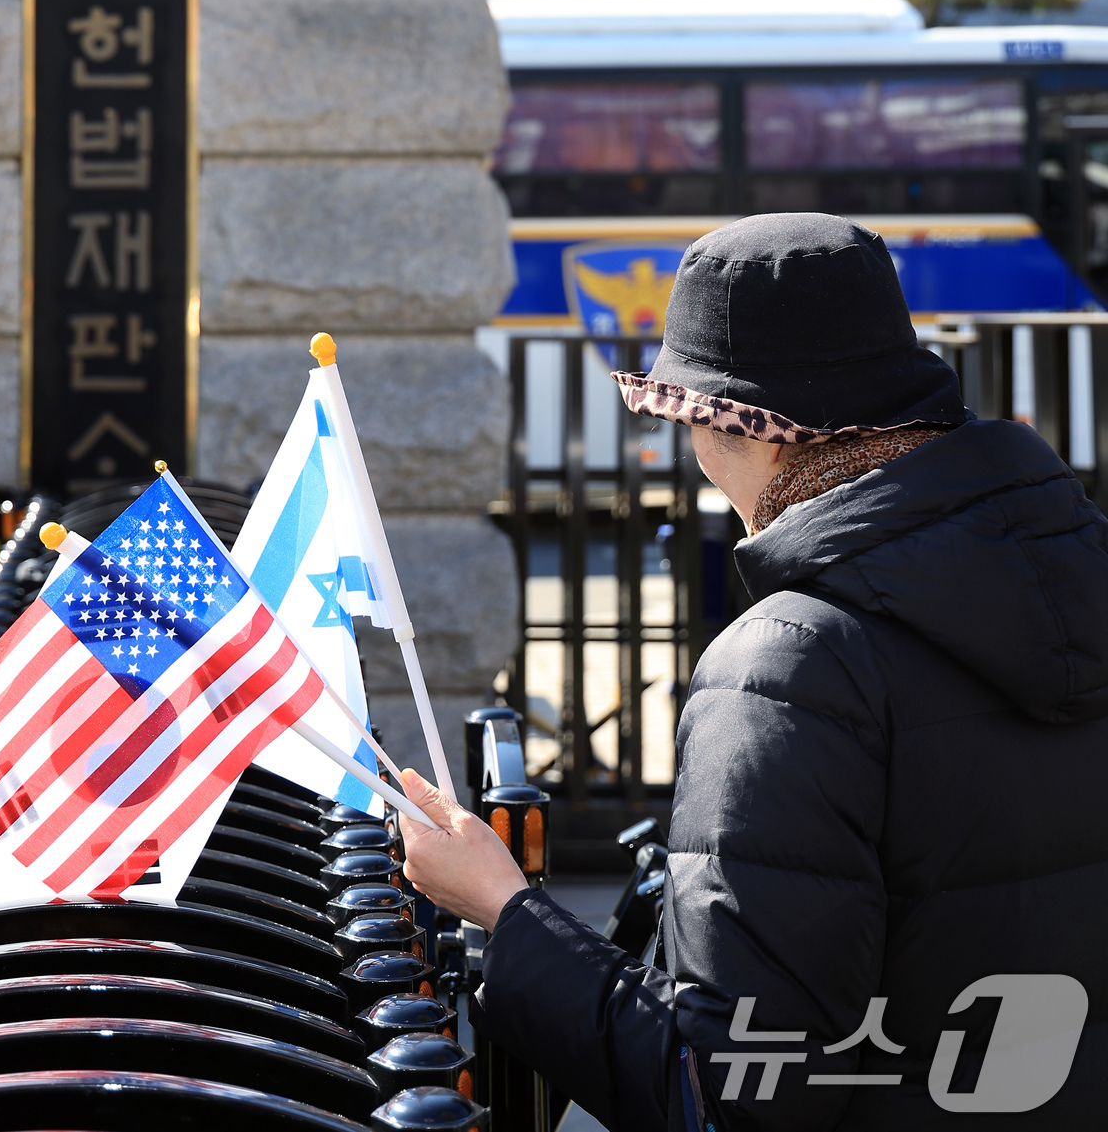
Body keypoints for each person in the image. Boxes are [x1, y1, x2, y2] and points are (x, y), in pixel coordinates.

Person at [401, 213, 1108, 1129]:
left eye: (690, 420)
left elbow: (729, 1089)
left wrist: (504, 910)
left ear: (760, 432)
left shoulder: (794, 663)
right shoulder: (1084, 566)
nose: (692, 454)